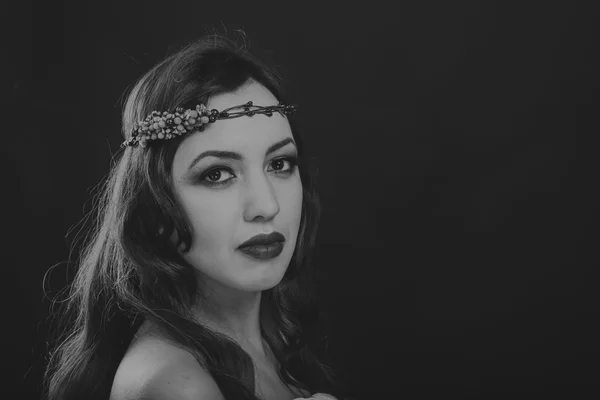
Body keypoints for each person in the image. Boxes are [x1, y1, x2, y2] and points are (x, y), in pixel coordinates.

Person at [42, 34, 353, 400]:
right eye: (217, 174)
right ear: (155, 204)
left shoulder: (274, 336)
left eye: (279, 164)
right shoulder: (178, 384)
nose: (267, 206)